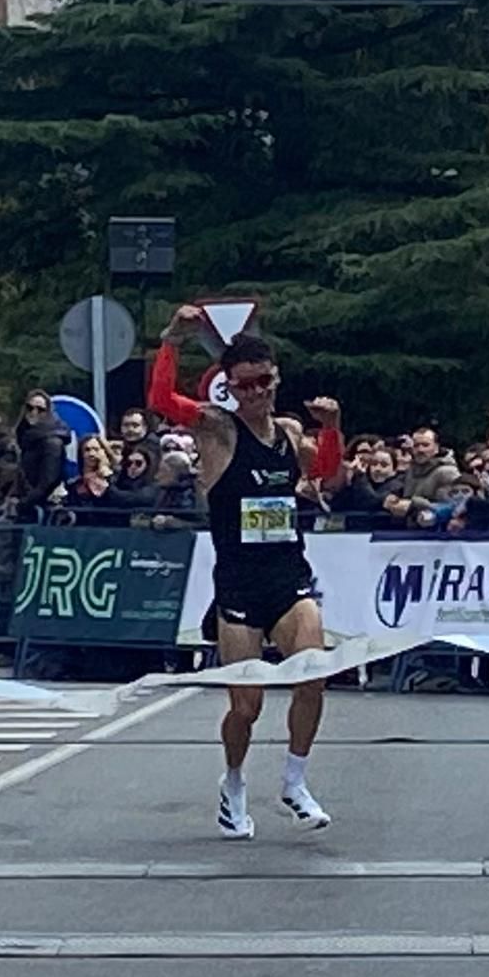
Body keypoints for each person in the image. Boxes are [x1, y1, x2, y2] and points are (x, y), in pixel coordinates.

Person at [148, 306, 345, 839]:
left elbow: (326, 473)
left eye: (264, 381)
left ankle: (294, 781)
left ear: (275, 379)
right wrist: (171, 341)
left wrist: (332, 430)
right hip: (237, 583)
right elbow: (162, 402)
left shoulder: (287, 431)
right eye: (246, 385)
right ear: (229, 390)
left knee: (314, 675)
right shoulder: (218, 431)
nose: (257, 392)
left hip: (288, 576)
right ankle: (233, 782)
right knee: (247, 705)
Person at [14, 390, 71, 522]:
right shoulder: (25, 437)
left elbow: (48, 481)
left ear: (48, 412)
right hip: (30, 506)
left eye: (40, 409)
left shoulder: (53, 443)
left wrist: (23, 504)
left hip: (47, 510)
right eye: (30, 408)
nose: (34, 413)